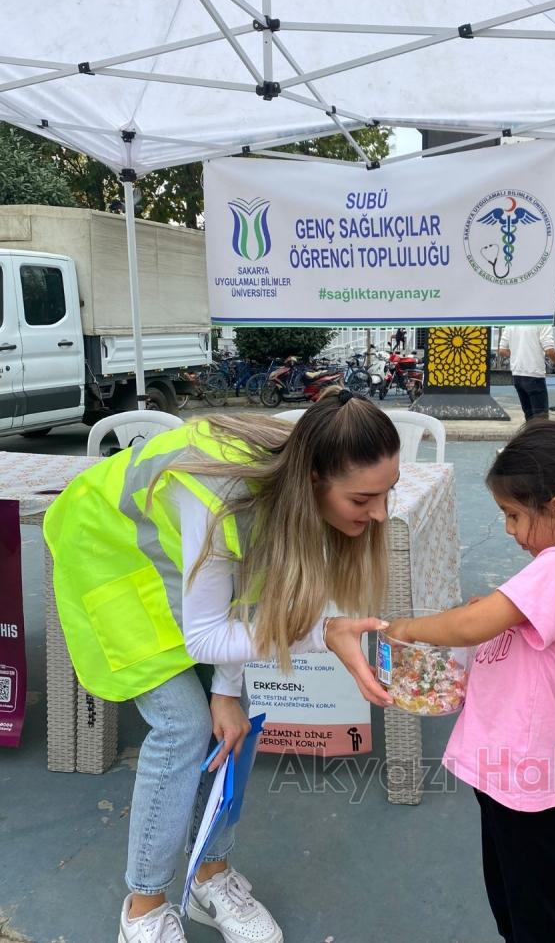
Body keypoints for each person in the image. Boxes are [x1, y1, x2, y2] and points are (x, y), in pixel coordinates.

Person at [44, 389, 399, 943]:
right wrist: (323, 634)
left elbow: (247, 595)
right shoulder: (220, 498)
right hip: (108, 553)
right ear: (314, 481)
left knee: (233, 721)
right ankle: (144, 907)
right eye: (363, 499)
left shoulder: (308, 454)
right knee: (184, 725)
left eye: (386, 492)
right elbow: (210, 635)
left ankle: (209, 876)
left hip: (175, 560)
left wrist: (228, 694)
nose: (379, 514)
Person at [386, 418, 555, 943]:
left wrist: (406, 628)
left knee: (538, 922)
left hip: (527, 787)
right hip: (518, 780)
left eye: (513, 515)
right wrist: (494, 614)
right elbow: (514, 623)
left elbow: (471, 625)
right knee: (516, 908)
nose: (509, 529)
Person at [498, 324, 555, 420]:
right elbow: (550, 351)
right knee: (541, 420)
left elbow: (502, 350)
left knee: (529, 418)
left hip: (517, 375)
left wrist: (519, 354)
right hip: (534, 375)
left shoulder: (512, 322)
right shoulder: (543, 321)